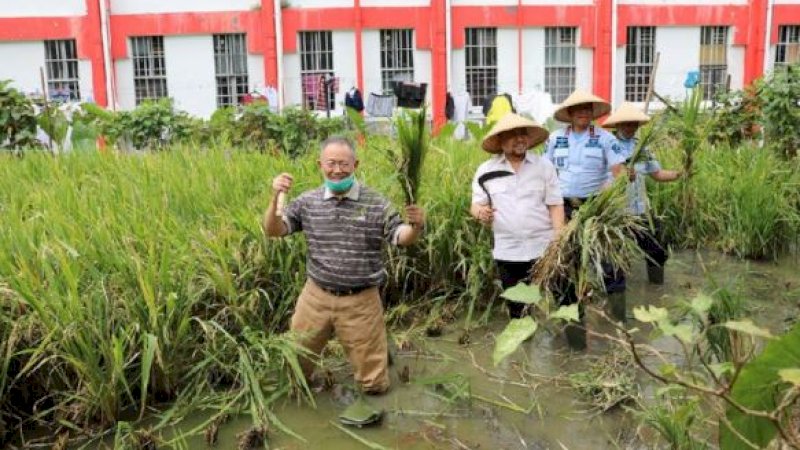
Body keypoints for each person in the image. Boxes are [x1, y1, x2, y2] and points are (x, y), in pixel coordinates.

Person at [262, 136, 425, 394]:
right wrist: (275, 198)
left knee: (374, 385)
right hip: (315, 297)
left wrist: (416, 226)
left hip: (361, 301)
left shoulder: (376, 203)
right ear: (320, 165)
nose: (337, 170)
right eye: (331, 163)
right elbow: (273, 230)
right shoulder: (307, 202)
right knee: (295, 371)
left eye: (344, 164)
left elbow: (400, 237)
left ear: (355, 164)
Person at [543, 89, 626, 349]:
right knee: (566, 261)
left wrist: (602, 199)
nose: (583, 112)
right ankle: (573, 319)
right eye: (578, 109)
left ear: (592, 113)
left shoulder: (605, 138)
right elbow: (546, 173)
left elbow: (618, 173)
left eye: (587, 109)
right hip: (564, 208)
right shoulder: (555, 139)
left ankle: (618, 318)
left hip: (596, 206)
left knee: (608, 260)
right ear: (569, 114)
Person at [470, 113, 565, 318]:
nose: (520, 139)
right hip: (509, 251)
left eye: (523, 134)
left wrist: (559, 239)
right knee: (518, 308)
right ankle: (526, 347)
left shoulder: (544, 167)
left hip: (545, 247)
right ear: (500, 141)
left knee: (565, 297)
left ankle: (577, 346)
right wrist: (481, 213)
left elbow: (555, 204)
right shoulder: (486, 171)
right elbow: (476, 206)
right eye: (513, 135)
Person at [602, 102, 682, 286]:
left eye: (633, 124)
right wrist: (622, 176)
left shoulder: (642, 148)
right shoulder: (608, 145)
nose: (630, 128)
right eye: (626, 124)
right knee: (614, 258)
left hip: (639, 211)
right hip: (616, 212)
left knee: (657, 250)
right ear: (618, 125)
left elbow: (658, 174)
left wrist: (680, 173)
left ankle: (656, 286)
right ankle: (614, 299)